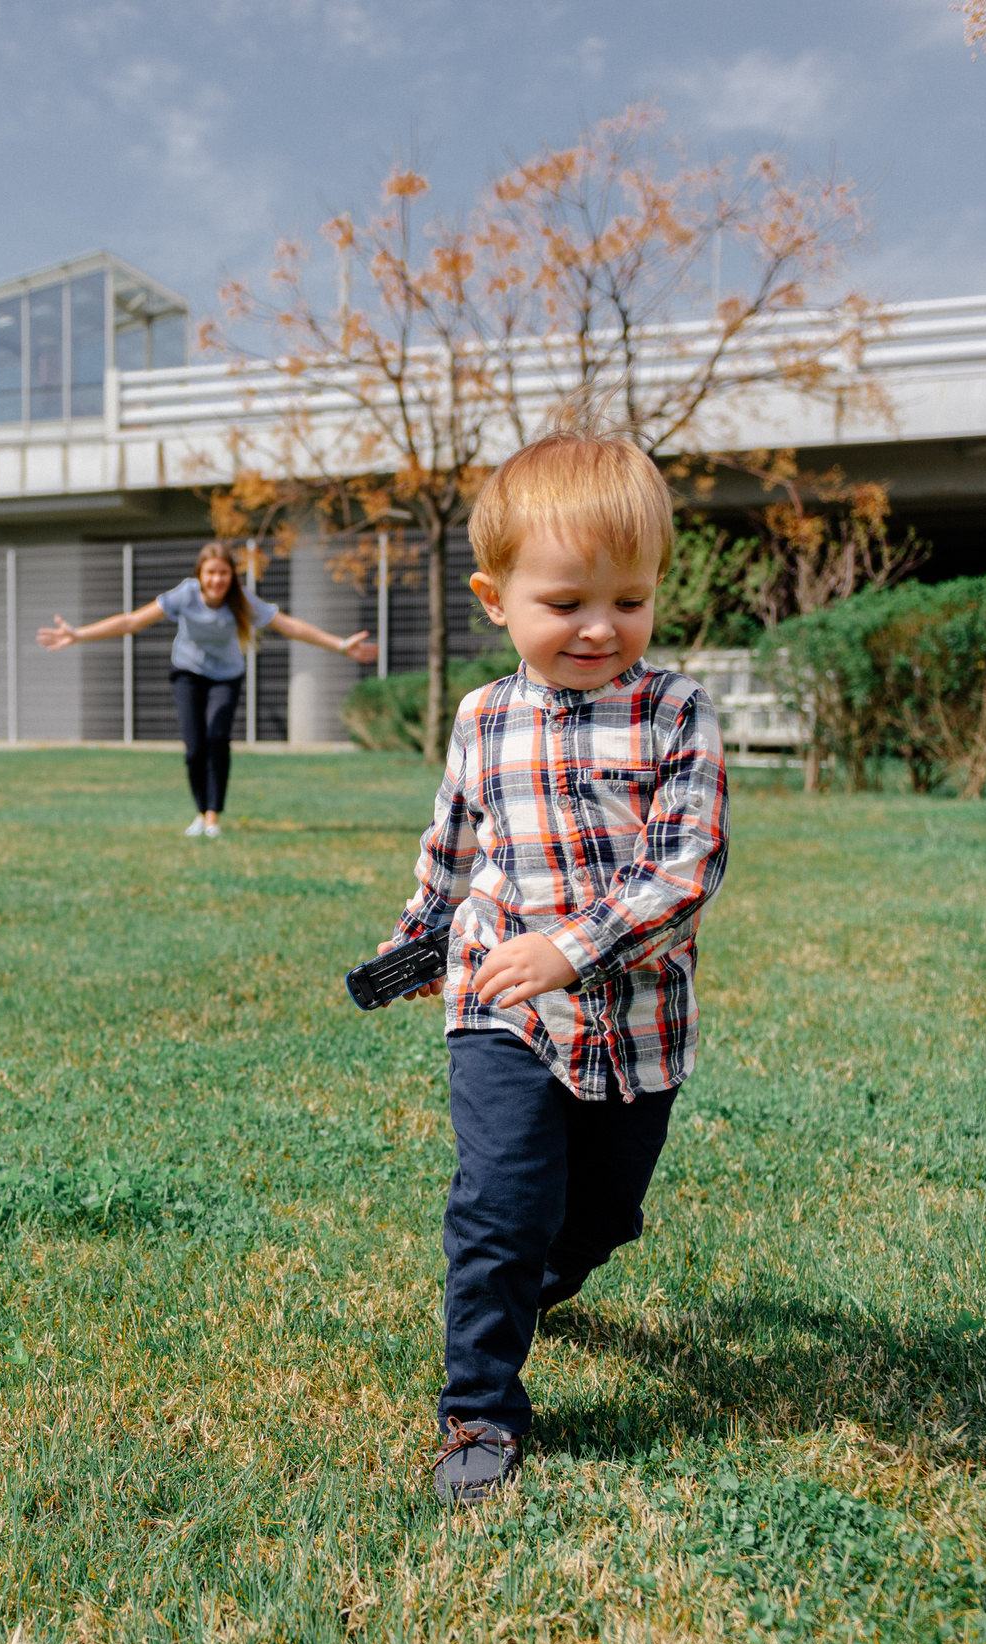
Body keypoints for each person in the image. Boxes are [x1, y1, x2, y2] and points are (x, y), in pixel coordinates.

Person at [371, 434, 727, 1506]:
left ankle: (544, 1278)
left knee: (602, 1214)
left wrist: (571, 947)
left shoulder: (674, 710)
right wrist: (417, 947)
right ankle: (478, 1410)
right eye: (566, 599)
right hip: (501, 1008)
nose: (600, 626)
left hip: (637, 1018)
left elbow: (687, 865)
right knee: (498, 1199)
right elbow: (453, 845)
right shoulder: (482, 717)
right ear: (494, 596)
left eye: (629, 599)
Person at [36, 542, 377, 836]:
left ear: (232, 576)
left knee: (217, 737)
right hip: (187, 672)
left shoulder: (241, 600)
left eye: (223, 573)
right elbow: (131, 621)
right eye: (211, 572)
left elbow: (289, 625)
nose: (217, 579)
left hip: (226, 676)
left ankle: (212, 817)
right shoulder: (184, 595)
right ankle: (200, 813)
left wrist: (341, 644)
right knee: (195, 747)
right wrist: (78, 634)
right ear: (200, 573)